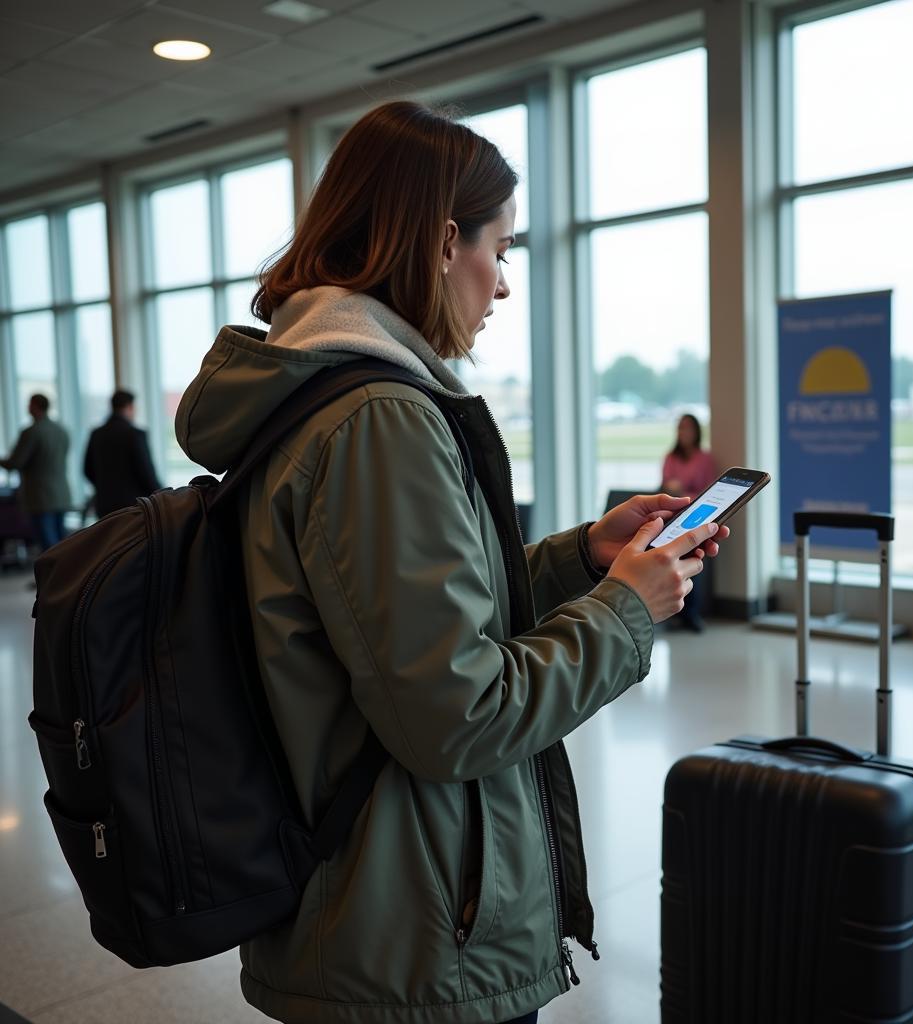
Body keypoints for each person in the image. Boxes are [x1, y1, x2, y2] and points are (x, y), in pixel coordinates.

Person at [174, 101, 727, 1024]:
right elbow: (457, 715)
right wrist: (627, 609)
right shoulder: (379, 420)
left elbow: (391, 624)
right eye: (500, 249)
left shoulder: (317, 392)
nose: (503, 283)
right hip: (421, 945)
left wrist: (581, 560)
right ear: (440, 242)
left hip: (377, 913)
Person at [660, 413, 717, 631]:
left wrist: (683, 493)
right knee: (672, 561)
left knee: (693, 561)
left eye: (688, 428)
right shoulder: (670, 457)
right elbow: (665, 486)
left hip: (696, 516)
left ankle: (691, 613)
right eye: (680, 427)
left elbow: (709, 492)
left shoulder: (704, 459)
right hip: (674, 516)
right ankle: (673, 610)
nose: (684, 432)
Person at [0, 394, 71, 552]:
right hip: (61, 493)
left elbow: (15, 463)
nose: (27, 408)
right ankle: (69, 575)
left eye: (29, 404)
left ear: (35, 406)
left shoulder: (31, 432)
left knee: (48, 546)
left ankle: (54, 576)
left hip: (40, 496)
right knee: (63, 543)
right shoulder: (61, 430)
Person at [83, 389, 162, 517]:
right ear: (130, 407)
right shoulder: (135, 434)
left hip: (104, 504)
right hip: (131, 506)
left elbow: (87, 470)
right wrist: (162, 494)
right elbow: (146, 472)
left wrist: (105, 487)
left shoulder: (96, 434)